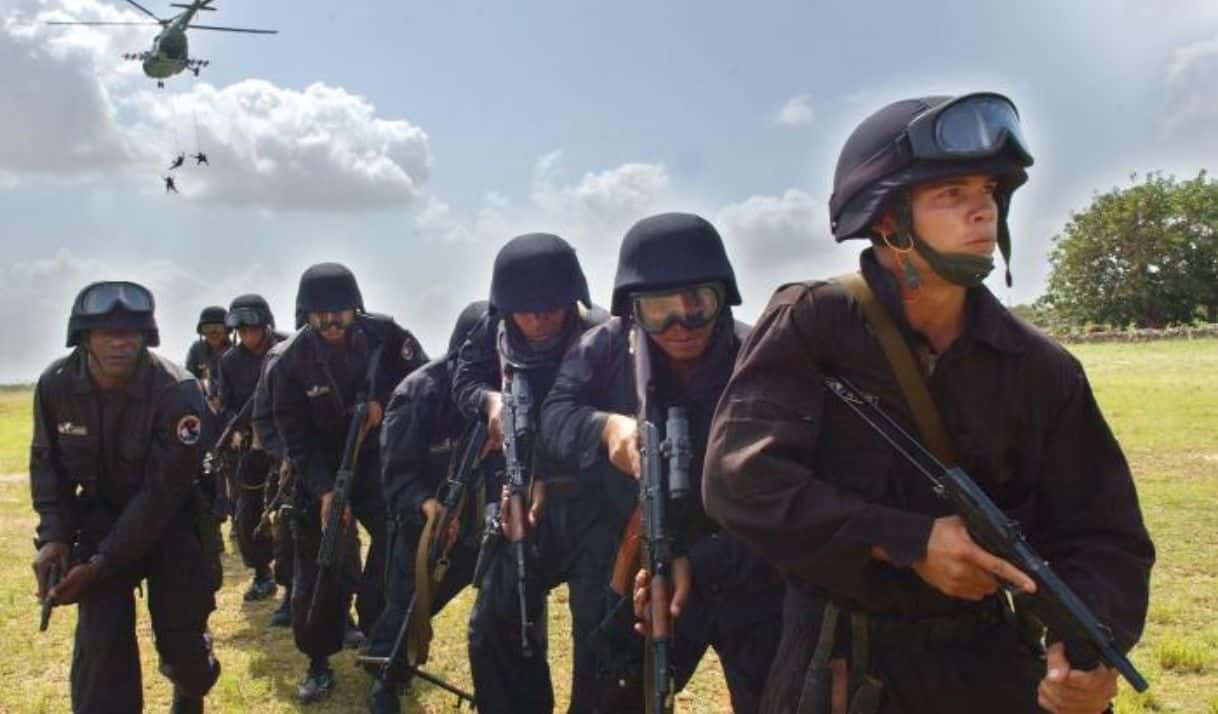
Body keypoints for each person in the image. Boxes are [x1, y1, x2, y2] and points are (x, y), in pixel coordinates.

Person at [702, 92, 1156, 714]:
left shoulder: (1042, 369)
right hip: (839, 663)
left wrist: (1090, 650)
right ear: (888, 220)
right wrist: (907, 540)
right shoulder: (812, 323)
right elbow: (740, 481)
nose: (982, 212)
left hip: (986, 663)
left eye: (989, 192)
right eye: (951, 194)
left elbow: (1104, 534)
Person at [541, 212, 784, 713]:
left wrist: (699, 561)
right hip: (640, 563)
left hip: (743, 562)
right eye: (658, 311)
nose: (680, 325)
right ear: (634, 312)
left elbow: (788, 496)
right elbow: (555, 416)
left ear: (723, 297)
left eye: (697, 304)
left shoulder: (757, 356)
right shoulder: (606, 348)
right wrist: (607, 429)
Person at [30, 281, 221, 713]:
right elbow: (48, 467)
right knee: (101, 649)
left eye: (130, 334)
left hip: (172, 520)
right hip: (99, 519)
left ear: (146, 338)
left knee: (185, 649)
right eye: (106, 334)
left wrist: (98, 565)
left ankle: (188, 692)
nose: (119, 343)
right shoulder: (55, 385)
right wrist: (55, 537)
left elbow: (161, 495)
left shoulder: (178, 392)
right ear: (83, 338)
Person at [453, 233, 612, 713]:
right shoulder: (488, 332)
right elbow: (462, 380)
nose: (539, 318)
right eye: (526, 308)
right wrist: (489, 402)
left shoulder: (603, 335)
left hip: (591, 502)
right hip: (516, 496)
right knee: (496, 624)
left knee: (603, 633)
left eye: (551, 306)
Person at [272, 262, 427, 703]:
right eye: (321, 316)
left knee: (395, 554)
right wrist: (324, 492)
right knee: (321, 568)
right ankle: (318, 662)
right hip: (321, 472)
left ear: (355, 309)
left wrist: (387, 405)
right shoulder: (287, 364)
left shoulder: (388, 336)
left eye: (340, 312)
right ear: (305, 315)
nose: (332, 323)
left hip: (379, 465)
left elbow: (428, 383)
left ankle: (384, 648)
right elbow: (296, 441)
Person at [364, 299, 489, 714]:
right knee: (408, 603)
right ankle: (386, 674)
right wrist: (426, 504)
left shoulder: (502, 394)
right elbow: (395, 475)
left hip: (482, 521)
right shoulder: (416, 394)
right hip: (424, 522)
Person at [214, 294, 287, 603]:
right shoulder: (229, 361)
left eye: (252, 328)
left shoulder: (287, 348)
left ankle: (294, 580)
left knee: (288, 510)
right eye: (240, 330)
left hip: (287, 438)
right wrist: (234, 428)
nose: (247, 335)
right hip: (251, 442)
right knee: (246, 510)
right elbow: (227, 405)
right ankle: (261, 573)